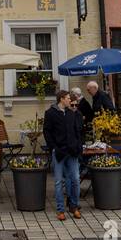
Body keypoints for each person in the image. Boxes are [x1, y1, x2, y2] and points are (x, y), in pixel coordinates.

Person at [43, 89, 83, 221]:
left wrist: (78, 146)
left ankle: (74, 206)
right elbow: (47, 132)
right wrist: (53, 148)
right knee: (59, 182)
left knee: (76, 179)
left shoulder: (71, 113)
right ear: (61, 99)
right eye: (67, 98)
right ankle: (60, 210)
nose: (69, 101)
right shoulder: (50, 113)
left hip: (72, 151)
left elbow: (76, 131)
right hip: (59, 151)